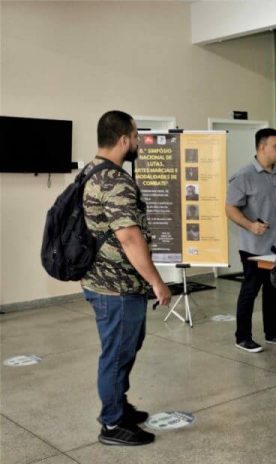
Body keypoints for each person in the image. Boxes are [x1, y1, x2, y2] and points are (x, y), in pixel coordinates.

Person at [82, 110, 172, 446]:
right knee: (117, 354)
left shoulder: (92, 171)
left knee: (123, 350)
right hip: (116, 286)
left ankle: (118, 406)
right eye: (136, 136)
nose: (138, 142)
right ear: (124, 139)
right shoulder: (114, 180)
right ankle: (112, 424)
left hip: (103, 282)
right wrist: (157, 281)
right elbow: (129, 238)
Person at [226, 128, 276, 353]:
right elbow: (230, 208)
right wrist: (250, 225)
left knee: (273, 288)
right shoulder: (244, 175)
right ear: (262, 147)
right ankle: (242, 336)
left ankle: (272, 332)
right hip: (254, 247)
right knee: (250, 290)